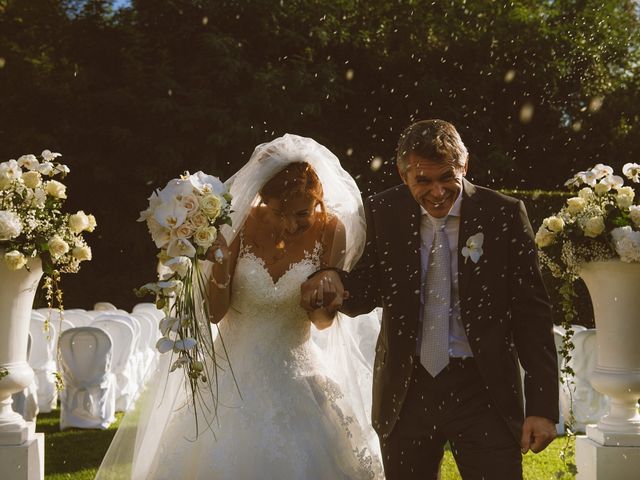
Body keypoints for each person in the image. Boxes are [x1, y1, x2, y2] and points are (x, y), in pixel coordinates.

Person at [96, 134, 384, 479]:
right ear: (263, 200)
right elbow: (216, 313)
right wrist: (217, 263)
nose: (291, 225)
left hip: (297, 371)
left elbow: (322, 323)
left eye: (303, 213)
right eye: (281, 213)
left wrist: (322, 300)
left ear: (318, 198)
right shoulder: (237, 225)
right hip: (229, 376)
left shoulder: (331, 231)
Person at [301, 119, 559, 479]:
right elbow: (368, 289)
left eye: (447, 178)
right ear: (403, 173)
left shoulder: (503, 214)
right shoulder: (382, 212)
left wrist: (543, 407)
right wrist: (332, 283)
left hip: (484, 390)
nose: (437, 192)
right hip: (407, 391)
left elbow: (532, 315)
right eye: (423, 180)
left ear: (464, 166)